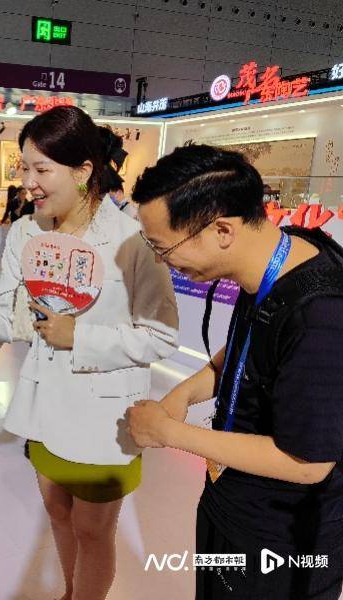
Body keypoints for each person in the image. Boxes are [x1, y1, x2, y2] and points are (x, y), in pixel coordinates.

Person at [0, 106, 179, 600]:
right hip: (43, 404)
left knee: (94, 530)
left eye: (41, 170)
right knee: (58, 514)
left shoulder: (132, 241)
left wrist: (80, 337)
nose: (27, 181)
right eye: (23, 167)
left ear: (83, 172)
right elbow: (4, 306)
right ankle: (71, 590)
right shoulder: (25, 233)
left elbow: (161, 335)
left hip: (105, 417)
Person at [127, 145, 343, 600]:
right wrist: (186, 392)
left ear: (221, 229)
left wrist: (168, 432)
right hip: (230, 506)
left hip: (282, 542)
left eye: (163, 247)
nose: (163, 260)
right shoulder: (270, 263)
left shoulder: (321, 313)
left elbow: (308, 464)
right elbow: (250, 349)